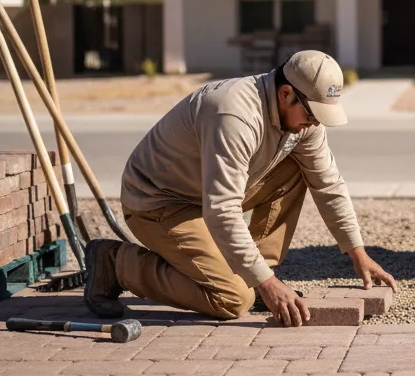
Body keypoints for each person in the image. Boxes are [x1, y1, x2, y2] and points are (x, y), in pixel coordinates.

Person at [83, 50, 396, 325]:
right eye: (312, 114)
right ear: (286, 94)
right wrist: (264, 282)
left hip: (204, 192)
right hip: (159, 202)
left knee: (298, 170)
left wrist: (358, 253)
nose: (315, 124)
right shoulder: (234, 113)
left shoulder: (302, 119)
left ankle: (261, 280)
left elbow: (328, 183)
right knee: (232, 300)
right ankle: (116, 263)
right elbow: (222, 209)